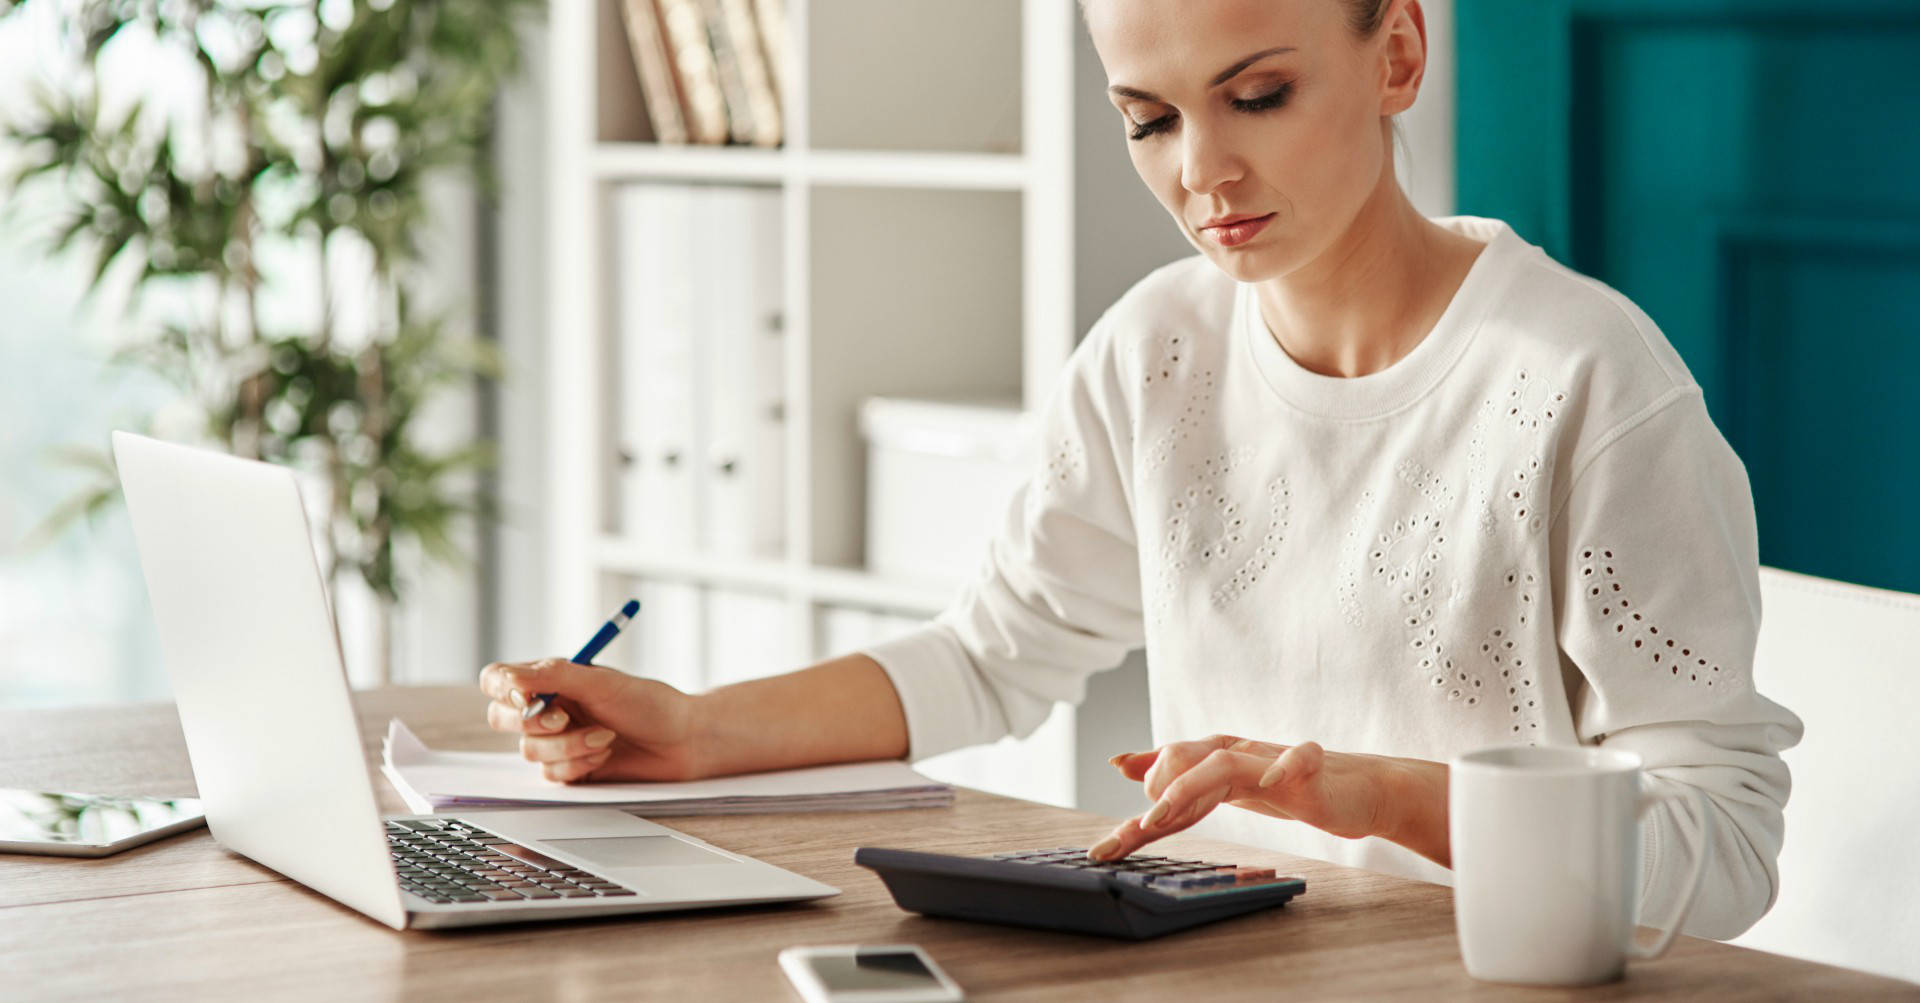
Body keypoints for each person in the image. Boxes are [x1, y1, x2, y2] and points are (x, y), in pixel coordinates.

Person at [479, 0, 1800, 939]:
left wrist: (1371, 795)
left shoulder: (1588, 386)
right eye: (1148, 119)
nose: (1203, 172)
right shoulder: (1158, 351)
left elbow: (1724, 855)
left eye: (1259, 94)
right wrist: (699, 729)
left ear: (1396, 49)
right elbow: (995, 653)